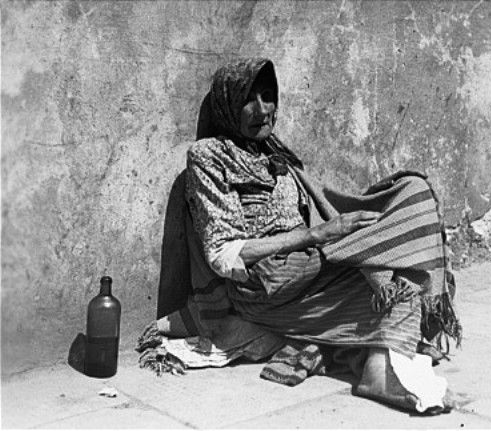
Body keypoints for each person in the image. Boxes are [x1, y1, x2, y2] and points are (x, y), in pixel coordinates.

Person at [138, 58, 461, 415]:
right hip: (268, 286)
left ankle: (378, 369)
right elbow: (223, 253)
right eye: (249, 99)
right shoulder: (209, 156)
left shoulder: (275, 154)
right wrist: (317, 235)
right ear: (229, 104)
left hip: (310, 268)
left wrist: (344, 229)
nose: (263, 109)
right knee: (388, 270)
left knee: (402, 262)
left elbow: (320, 207)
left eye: (268, 96)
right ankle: (378, 364)